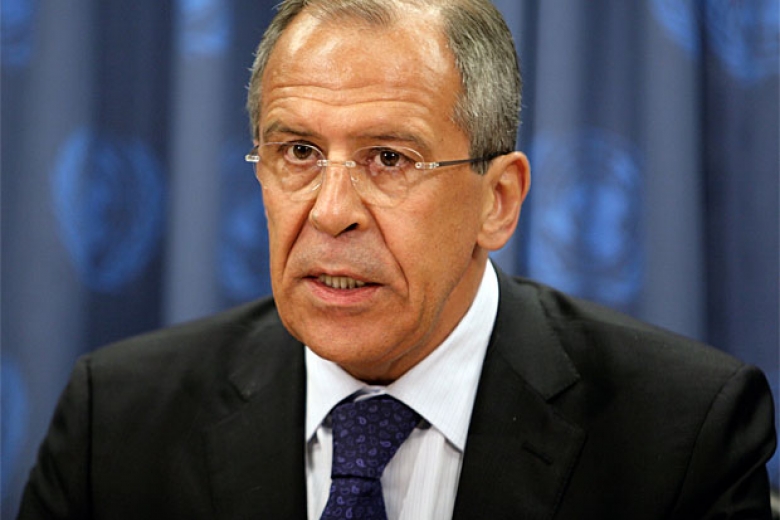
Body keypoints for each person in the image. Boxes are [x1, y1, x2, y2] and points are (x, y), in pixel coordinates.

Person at [18, 0, 776, 518]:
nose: (331, 211)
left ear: (498, 200)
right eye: (298, 152)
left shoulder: (684, 435)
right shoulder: (115, 424)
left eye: (389, 158)